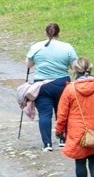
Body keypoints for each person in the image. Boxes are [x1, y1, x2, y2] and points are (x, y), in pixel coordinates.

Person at [25, 22, 78, 150]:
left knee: (44, 114)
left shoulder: (36, 47)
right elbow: (75, 67)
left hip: (41, 85)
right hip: (61, 84)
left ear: (45, 33)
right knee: (62, 112)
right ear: (58, 34)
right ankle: (62, 139)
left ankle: (47, 144)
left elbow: (29, 65)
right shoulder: (67, 47)